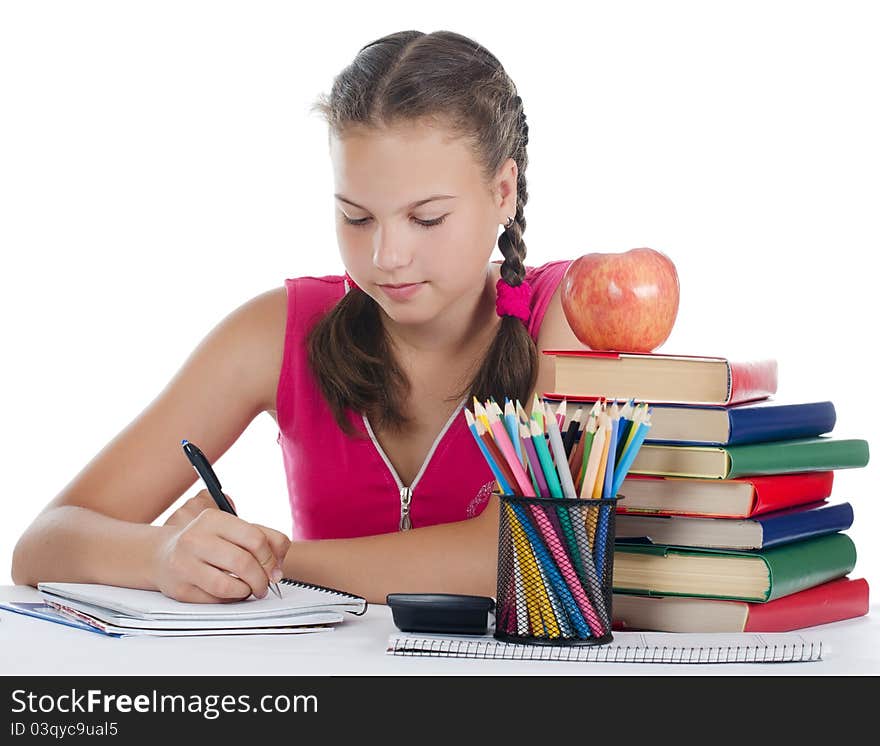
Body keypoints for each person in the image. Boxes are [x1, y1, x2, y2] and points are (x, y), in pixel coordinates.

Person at [11, 30, 589, 606]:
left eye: (427, 218)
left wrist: (268, 556)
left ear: (504, 191)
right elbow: (42, 545)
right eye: (357, 218)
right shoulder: (277, 331)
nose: (387, 256)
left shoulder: (570, 315)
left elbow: (527, 560)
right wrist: (164, 554)